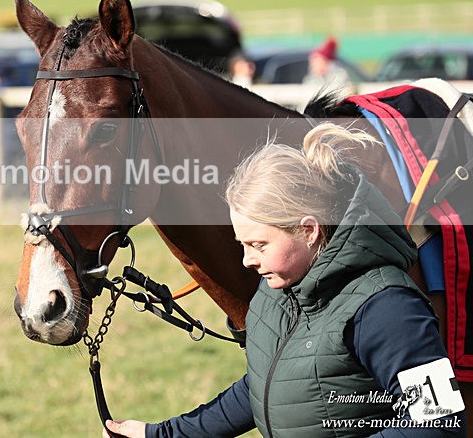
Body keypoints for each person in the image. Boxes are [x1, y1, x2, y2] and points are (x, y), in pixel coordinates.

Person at [105, 124, 466, 437]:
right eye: (243, 244)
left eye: (258, 244)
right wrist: (162, 434)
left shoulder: (387, 307)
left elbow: (440, 420)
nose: (247, 260)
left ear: (308, 230)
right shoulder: (280, 288)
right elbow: (267, 384)